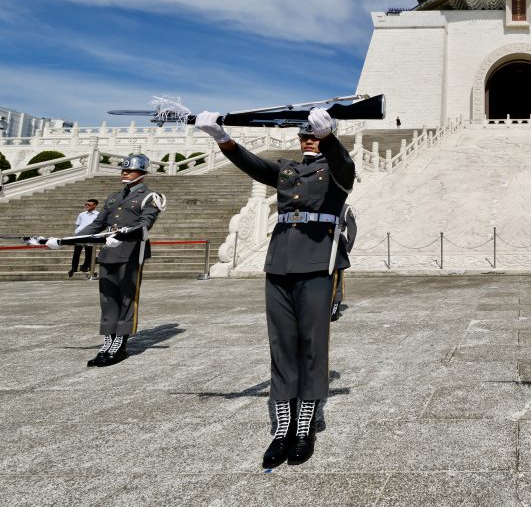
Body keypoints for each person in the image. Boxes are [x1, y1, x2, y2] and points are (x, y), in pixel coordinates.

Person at [195, 108, 355, 469]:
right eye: (305, 134)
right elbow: (253, 165)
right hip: (280, 263)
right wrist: (222, 138)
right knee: (281, 344)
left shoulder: (336, 169)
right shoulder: (286, 169)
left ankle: (304, 428)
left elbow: (344, 166)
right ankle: (283, 428)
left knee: (312, 344)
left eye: (314, 133)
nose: (308, 138)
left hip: (316, 262)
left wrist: (330, 139)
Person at [44, 155, 165, 367]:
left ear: (143, 173)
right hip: (109, 253)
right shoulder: (113, 197)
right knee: (107, 299)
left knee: (127, 297)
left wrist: (124, 234)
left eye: (130, 170)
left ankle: (120, 343)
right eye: (123, 170)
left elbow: (146, 224)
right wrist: (64, 240)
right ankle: (107, 341)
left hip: (131, 252)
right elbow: (97, 225)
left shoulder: (150, 197)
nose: (124, 173)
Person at [331, 203, 357, 322]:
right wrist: (346, 247)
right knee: (336, 276)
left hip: (333, 241)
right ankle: (333, 307)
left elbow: (352, 230)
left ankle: (335, 307)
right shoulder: (345, 208)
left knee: (337, 275)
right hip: (334, 242)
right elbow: (353, 229)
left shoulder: (345, 208)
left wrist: (346, 247)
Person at [69, 199, 100, 278]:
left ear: (94, 205)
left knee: (89, 253)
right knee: (76, 252)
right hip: (80, 235)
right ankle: (74, 268)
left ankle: (85, 267)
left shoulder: (98, 215)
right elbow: (78, 225)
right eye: (86, 204)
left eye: (89, 205)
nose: (87, 206)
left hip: (90, 235)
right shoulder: (81, 214)